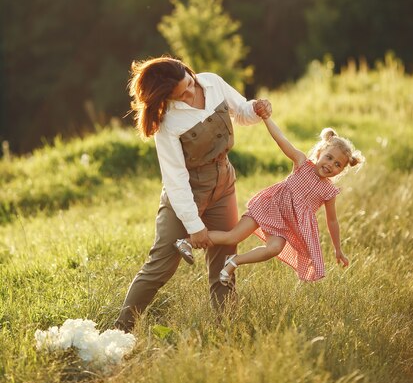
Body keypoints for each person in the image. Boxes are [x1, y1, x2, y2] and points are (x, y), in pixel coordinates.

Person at [115, 56, 271, 332]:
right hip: (186, 196)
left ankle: (229, 329)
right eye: (180, 95)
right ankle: (120, 330)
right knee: (160, 267)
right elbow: (175, 179)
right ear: (166, 97)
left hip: (223, 185)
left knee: (224, 262)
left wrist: (256, 107)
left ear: (188, 71)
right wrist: (194, 226)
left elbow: (241, 112)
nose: (189, 93)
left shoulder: (211, 82)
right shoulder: (166, 122)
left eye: (189, 84)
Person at [176, 118, 364, 284]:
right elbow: (281, 139)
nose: (330, 165)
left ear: (342, 170)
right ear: (320, 152)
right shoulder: (301, 163)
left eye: (337, 164)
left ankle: (234, 261)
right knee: (233, 236)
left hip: (286, 223)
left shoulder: (329, 191)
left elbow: (332, 221)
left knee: (273, 248)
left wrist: (338, 249)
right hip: (268, 207)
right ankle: (186, 242)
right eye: (329, 157)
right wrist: (266, 119)